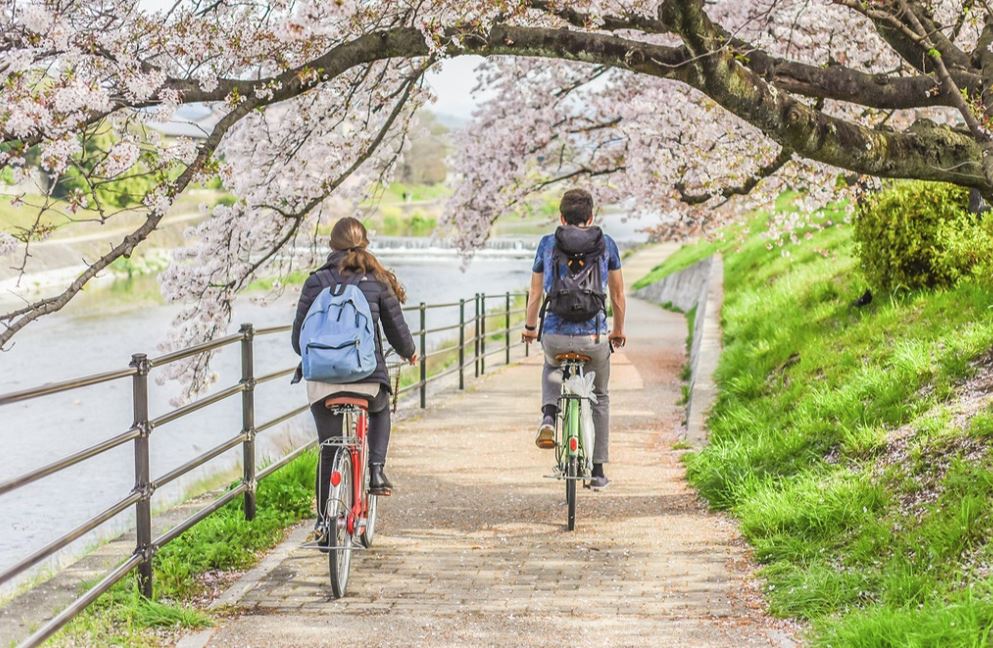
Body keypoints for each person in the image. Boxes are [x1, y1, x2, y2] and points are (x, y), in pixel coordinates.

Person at [291, 217, 417, 532]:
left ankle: (322, 523)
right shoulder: (376, 280)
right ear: (365, 244)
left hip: (322, 382)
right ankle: (375, 471)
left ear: (332, 246)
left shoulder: (315, 282)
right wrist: (410, 353)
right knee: (380, 410)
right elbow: (397, 332)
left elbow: (298, 340)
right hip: (367, 378)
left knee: (329, 447)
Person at [522, 188, 626, 490]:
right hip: (593, 337)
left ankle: (549, 418)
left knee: (551, 366)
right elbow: (618, 295)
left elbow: (535, 293)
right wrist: (618, 330)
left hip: (555, 334)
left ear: (561, 217)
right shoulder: (606, 244)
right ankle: (597, 470)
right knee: (600, 396)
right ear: (591, 217)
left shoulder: (547, 244)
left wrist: (530, 327)